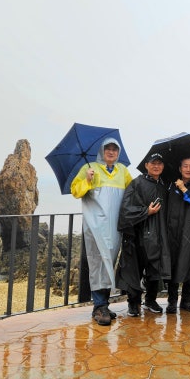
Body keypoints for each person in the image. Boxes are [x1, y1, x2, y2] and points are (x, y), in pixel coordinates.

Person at [70, 138, 132, 326]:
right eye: (108, 149)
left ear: (118, 153)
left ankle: (102, 304)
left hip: (115, 227)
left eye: (114, 149)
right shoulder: (89, 168)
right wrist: (87, 180)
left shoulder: (123, 171)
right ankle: (99, 306)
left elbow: (132, 192)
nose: (111, 152)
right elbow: (75, 191)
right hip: (95, 227)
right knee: (97, 262)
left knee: (109, 262)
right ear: (102, 151)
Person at [116, 153, 170, 317]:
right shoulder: (137, 183)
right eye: (153, 163)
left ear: (163, 166)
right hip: (138, 235)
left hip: (158, 234)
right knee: (135, 269)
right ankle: (133, 303)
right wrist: (146, 211)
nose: (156, 166)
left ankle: (150, 300)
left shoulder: (163, 186)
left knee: (155, 268)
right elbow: (126, 209)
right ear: (146, 165)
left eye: (159, 163)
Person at [164, 156, 190, 314]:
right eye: (185, 166)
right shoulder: (170, 184)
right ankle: (172, 301)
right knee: (173, 264)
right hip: (173, 230)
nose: (188, 169)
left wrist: (184, 189)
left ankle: (187, 300)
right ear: (180, 168)